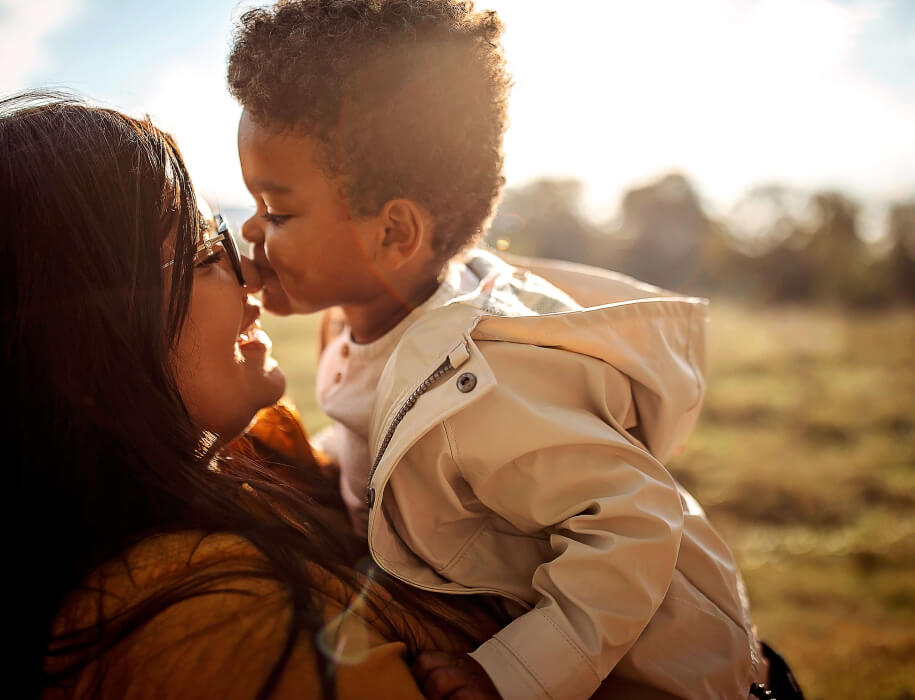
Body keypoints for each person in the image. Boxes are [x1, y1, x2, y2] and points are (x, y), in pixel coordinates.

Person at [227, 1, 776, 698]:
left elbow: (633, 522)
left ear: (393, 235)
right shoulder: (358, 321)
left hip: (658, 675)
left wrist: (513, 675)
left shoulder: (489, 379)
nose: (248, 230)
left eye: (276, 211)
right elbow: (380, 445)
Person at [3, 92, 505, 699]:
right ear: (83, 344)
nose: (253, 273)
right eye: (207, 252)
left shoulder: (250, 455)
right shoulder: (212, 630)